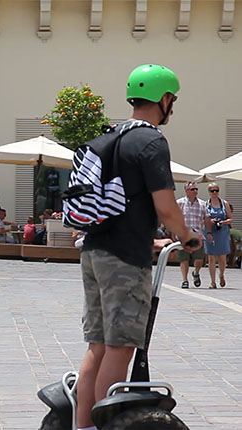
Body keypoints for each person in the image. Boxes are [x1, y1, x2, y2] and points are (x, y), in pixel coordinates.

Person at [75, 64, 201, 430]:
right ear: (164, 99)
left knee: (97, 346)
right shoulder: (150, 141)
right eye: (172, 100)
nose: (172, 106)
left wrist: (153, 238)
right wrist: (186, 236)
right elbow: (165, 206)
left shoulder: (108, 137)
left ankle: (82, 426)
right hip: (123, 260)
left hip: (93, 250)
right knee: (119, 347)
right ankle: (107, 426)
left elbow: (119, 206)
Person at [176, 181, 208, 289]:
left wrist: (208, 232)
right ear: (186, 191)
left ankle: (196, 272)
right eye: (192, 189)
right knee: (184, 259)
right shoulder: (180, 203)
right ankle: (185, 280)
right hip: (183, 235)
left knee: (199, 259)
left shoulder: (203, 204)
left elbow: (206, 219)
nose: (195, 191)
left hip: (197, 235)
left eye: (196, 189)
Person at [205, 183, 232, 288]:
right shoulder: (206, 204)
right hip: (210, 231)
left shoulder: (224, 204)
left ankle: (221, 274)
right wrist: (210, 221)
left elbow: (230, 218)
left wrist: (223, 222)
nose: (215, 193)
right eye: (212, 191)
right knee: (211, 257)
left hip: (222, 232)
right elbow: (203, 218)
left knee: (222, 257)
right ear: (209, 192)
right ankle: (212, 282)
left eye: (216, 190)